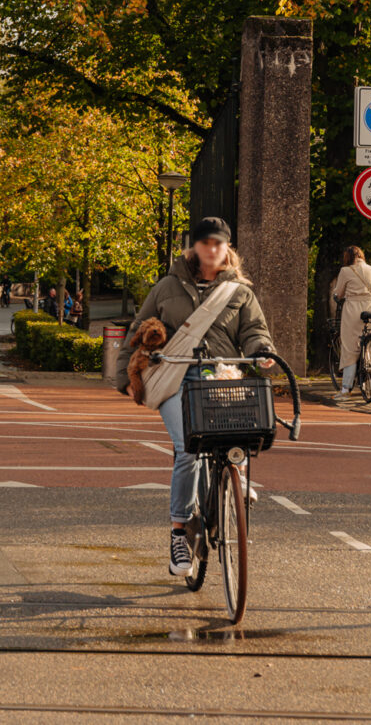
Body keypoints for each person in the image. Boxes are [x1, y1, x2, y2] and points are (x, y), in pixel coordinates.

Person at [115, 216, 274, 579]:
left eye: (219, 243)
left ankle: (237, 476)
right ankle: (178, 533)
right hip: (175, 379)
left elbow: (254, 331)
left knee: (242, 430)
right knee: (187, 448)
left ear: (227, 248)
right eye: (205, 243)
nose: (212, 249)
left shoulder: (240, 292)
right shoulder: (167, 287)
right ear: (194, 246)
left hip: (223, 376)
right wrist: (124, 375)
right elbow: (138, 329)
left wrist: (262, 350)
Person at [332, 245, 371, 402]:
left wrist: (336, 296)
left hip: (353, 310)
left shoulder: (345, 271)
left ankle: (345, 390)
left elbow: (339, 292)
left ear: (348, 257)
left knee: (350, 349)